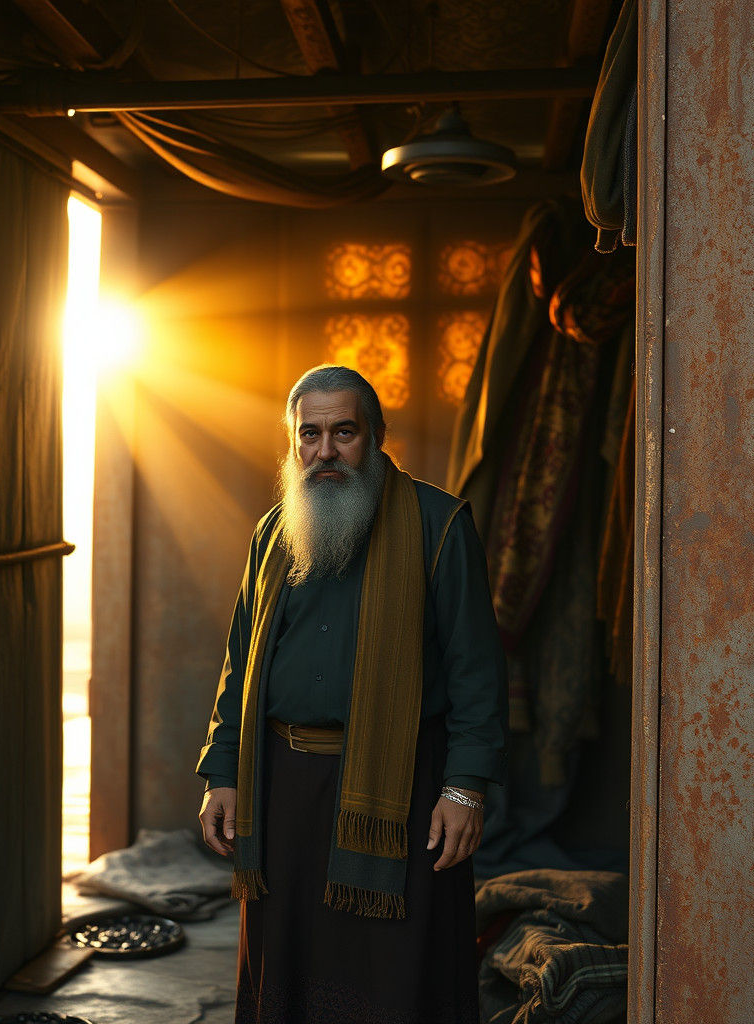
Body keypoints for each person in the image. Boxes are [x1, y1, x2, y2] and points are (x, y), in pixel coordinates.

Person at [196, 364, 508, 1024]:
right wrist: (222, 774)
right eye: (309, 435)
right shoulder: (273, 533)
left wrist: (465, 789)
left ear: (376, 436)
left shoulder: (439, 524)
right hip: (282, 787)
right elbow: (238, 667)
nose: (326, 451)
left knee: (396, 974)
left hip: (402, 789)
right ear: (293, 442)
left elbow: (477, 673)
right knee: (288, 968)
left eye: (344, 432)